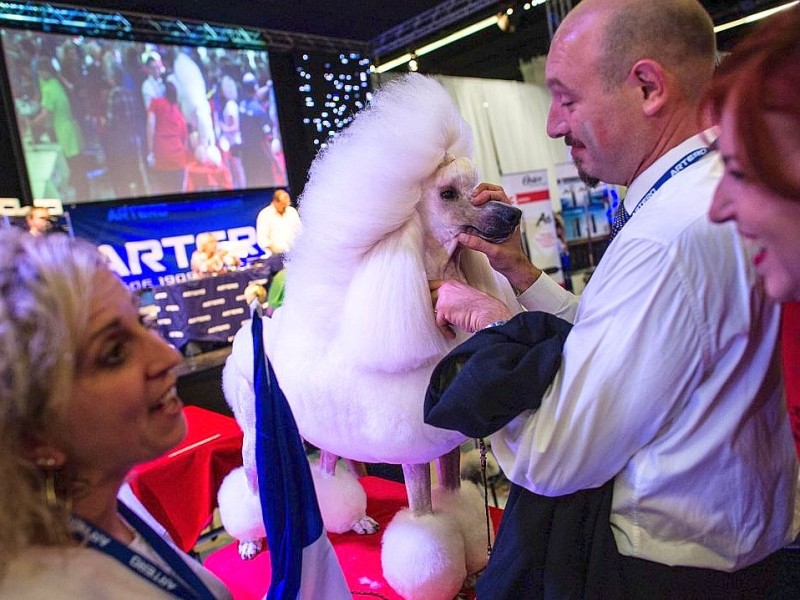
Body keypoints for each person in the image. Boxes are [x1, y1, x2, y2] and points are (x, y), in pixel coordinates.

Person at [430, 0, 797, 595]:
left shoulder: (667, 235)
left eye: (567, 98)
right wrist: (525, 278)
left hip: (671, 574)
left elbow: (553, 456)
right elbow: (645, 349)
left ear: (649, 85)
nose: (552, 124)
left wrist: (495, 335)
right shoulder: (694, 196)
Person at [0, 228, 232, 598]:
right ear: (34, 437)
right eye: (114, 354)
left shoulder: (110, 504)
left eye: (140, 322)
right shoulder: (46, 587)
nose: (168, 357)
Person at [147, 81, 189, 195]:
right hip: (178, 159)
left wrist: (150, 151)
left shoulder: (156, 103)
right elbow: (184, 137)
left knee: (164, 193)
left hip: (162, 157)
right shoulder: (178, 112)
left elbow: (150, 124)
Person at [255, 188, 302, 257]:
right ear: (276, 202)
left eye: (287, 204)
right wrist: (278, 251)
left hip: (295, 253)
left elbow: (299, 231)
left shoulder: (291, 211)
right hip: (274, 256)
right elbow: (262, 239)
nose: (286, 207)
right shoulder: (265, 214)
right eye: (283, 204)